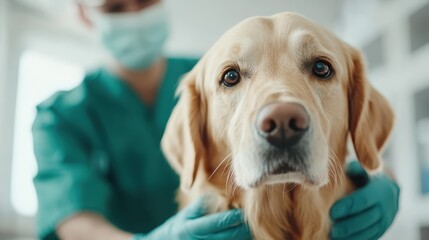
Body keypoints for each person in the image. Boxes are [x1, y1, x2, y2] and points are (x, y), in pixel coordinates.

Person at [31, 0, 400, 240]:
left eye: (320, 69)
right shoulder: (59, 117)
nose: (134, 15)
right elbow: (74, 223)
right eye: (233, 78)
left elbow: (359, 149)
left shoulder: (207, 63)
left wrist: (389, 182)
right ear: (84, 11)